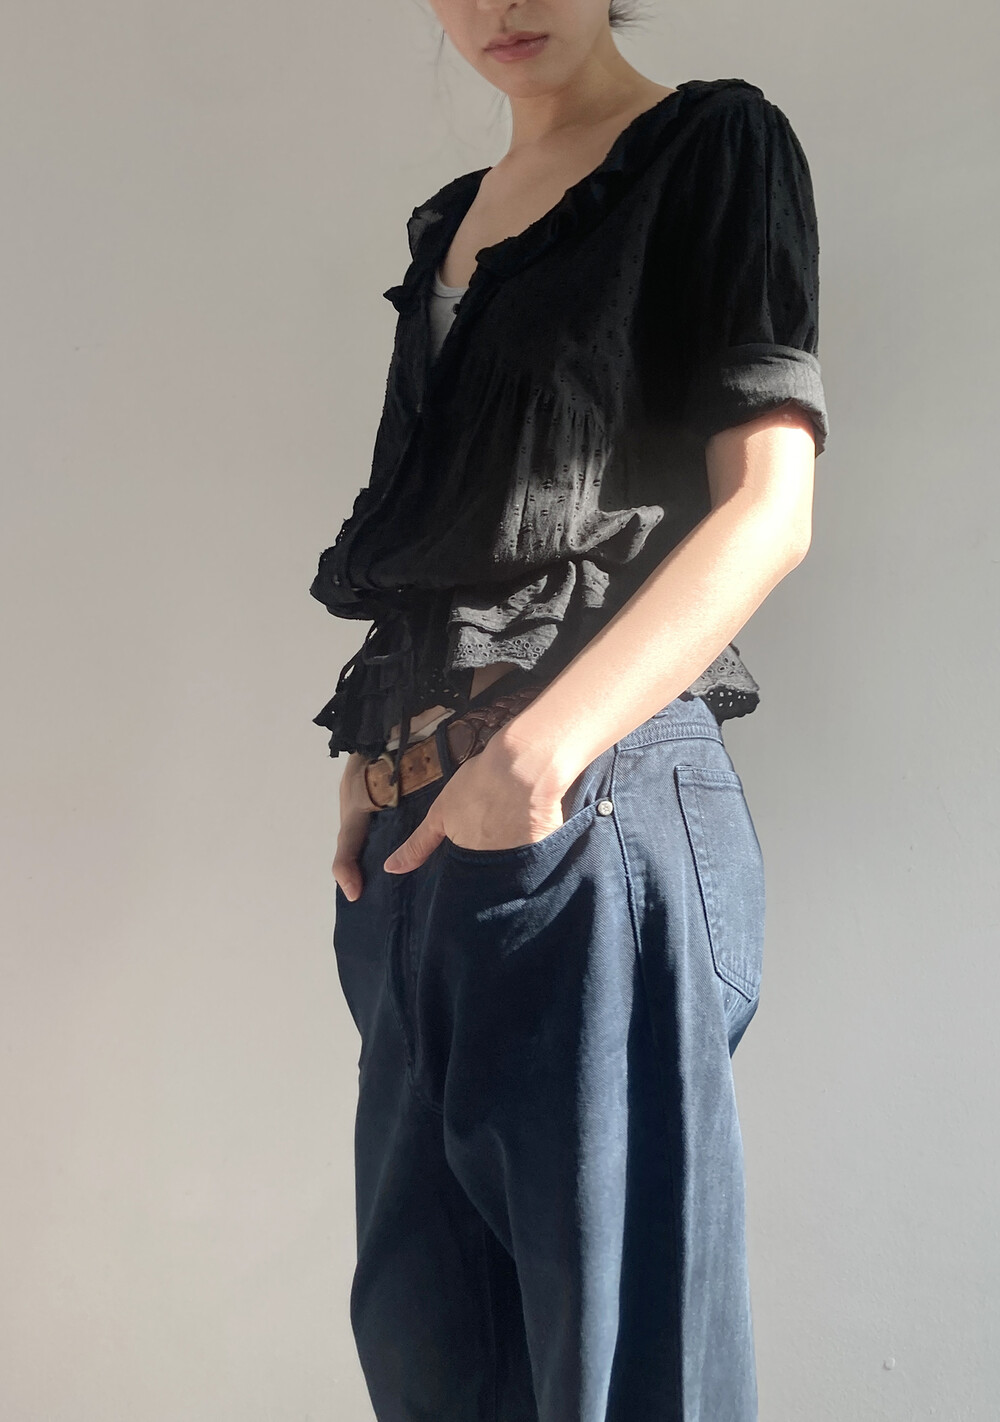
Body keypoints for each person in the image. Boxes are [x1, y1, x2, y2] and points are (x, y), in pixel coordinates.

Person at [310, 3, 828, 1418]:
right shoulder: (453, 225)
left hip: (587, 810)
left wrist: (540, 750)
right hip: (416, 838)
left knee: (618, 1367)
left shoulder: (710, 146)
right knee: (431, 1357)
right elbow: (447, 532)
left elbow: (768, 511)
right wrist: (379, 747)